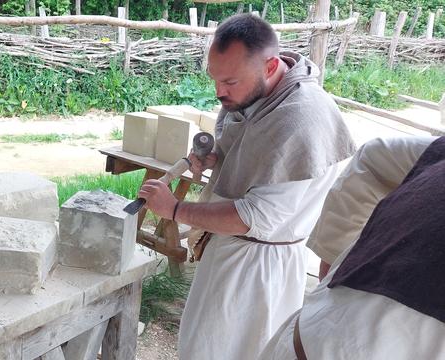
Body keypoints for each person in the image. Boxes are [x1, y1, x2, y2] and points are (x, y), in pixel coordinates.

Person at [136, 14, 355, 359]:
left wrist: (174, 209)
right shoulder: (255, 94)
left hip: (258, 270)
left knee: (234, 350)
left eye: (230, 82)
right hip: (230, 252)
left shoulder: (301, 119)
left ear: (269, 67)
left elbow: (255, 217)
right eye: (215, 79)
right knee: (202, 346)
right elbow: (247, 147)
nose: (218, 91)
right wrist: (216, 157)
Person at [258, 135, 445, 360]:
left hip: (317, 337)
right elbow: (375, 158)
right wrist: (335, 256)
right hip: (321, 340)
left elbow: (375, 157)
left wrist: (335, 255)